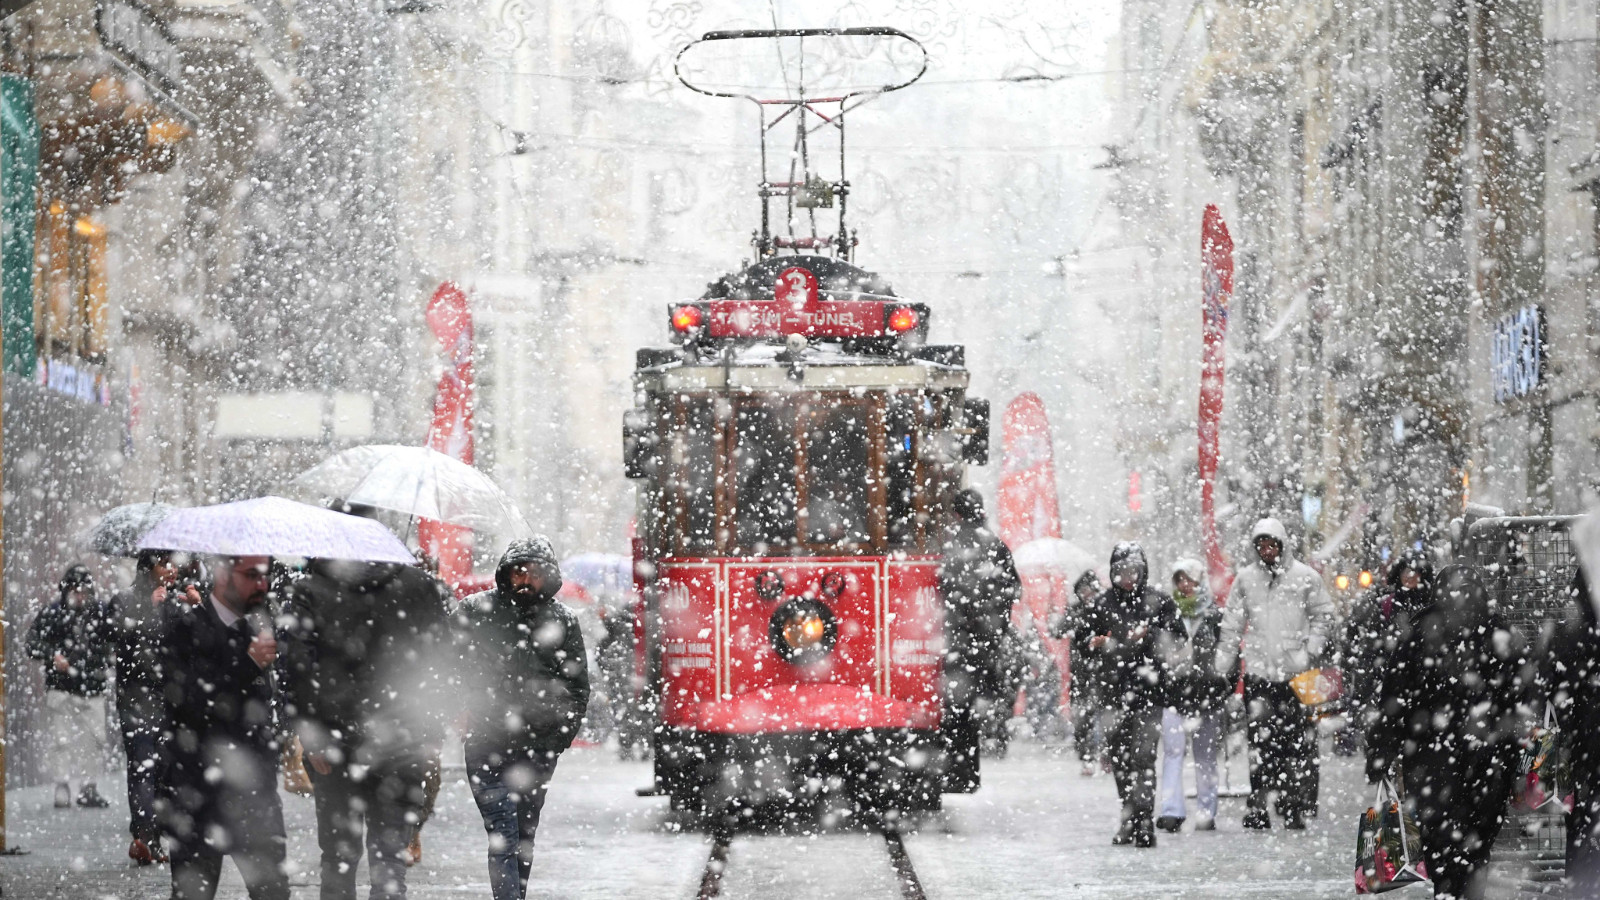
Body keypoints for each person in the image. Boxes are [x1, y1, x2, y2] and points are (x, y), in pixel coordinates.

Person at [278, 551, 453, 900]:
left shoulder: (310, 589)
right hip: (403, 739)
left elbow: (296, 666)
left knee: (339, 856)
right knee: (390, 857)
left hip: (335, 741)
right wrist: (431, 733)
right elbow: (443, 661)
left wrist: (311, 735)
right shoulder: (419, 585)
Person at [1365, 565, 1524, 900]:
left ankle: (1449, 890)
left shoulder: (1421, 632)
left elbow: (1394, 698)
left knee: (1440, 840)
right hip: (1486, 755)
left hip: (1432, 758)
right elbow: (1519, 695)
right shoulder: (1496, 631)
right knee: (1478, 838)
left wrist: (1382, 752)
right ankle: (1466, 887)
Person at [455, 539, 590, 900]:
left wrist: (557, 740)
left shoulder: (562, 620)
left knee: (524, 836)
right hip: (487, 743)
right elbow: (443, 667)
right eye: (518, 571)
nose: (525, 579)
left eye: (533, 572)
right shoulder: (475, 611)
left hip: (538, 749)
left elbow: (577, 688)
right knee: (504, 834)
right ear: (506, 572)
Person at [158, 555, 289, 900]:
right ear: (221, 574)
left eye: (265, 576)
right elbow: (188, 706)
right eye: (251, 575)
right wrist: (247, 665)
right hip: (197, 795)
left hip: (256, 796)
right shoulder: (185, 630)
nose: (261, 585)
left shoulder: (262, 629)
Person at [1214, 517, 1335, 830]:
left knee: (1297, 744)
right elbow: (1231, 625)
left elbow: (1324, 615)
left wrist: (1309, 649)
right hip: (1259, 673)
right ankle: (1259, 805)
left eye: (1272, 544)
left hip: (1298, 674)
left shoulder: (1305, 578)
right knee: (1260, 744)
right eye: (1262, 545)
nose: (1267, 550)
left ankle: (1293, 803)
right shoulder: (1246, 580)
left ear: (1282, 545)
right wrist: (1223, 663)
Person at [1080, 542, 1182, 847]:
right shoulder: (1101, 604)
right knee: (1120, 761)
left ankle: (1144, 822)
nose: (1128, 577)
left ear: (1143, 570)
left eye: (1133, 571)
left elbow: (1178, 639)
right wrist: (1093, 643)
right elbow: (1084, 640)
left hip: (1149, 693)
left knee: (1143, 758)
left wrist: (1150, 635)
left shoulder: (1159, 602)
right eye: (1121, 571)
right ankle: (1130, 818)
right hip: (1112, 693)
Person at [111, 550, 199, 863]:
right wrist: (150, 609)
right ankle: (144, 835)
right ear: (149, 568)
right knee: (141, 765)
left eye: (175, 563)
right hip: (136, 698)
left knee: (164, 769)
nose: (172, 570)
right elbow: (118, 640)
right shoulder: (124, 599)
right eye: (165, 563)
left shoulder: (179, 599)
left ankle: (156, 837)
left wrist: (197, 610)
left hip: (169, 699)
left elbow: (193, 645)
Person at [937, 488, 1023, 776]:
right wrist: (994, 618)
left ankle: (956, 765)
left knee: (957, 703)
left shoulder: (950, 546)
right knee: (982, 696)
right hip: (987, 640)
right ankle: (981, 748)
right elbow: (1014, 588)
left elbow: (944, 589)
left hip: (956, 639)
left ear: (956, 514)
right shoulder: (995, 545)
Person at [25, 564, 116, 810]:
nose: (80, 595)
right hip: (62, 687)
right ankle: (62, 785)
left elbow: (114, 641)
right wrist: (53, 654)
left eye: (84, 590)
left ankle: (89, 787)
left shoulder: (100, 613)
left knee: (95, 740)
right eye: (75, 590)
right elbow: (31, 643)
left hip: (92, 687)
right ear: (66, 591)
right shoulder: (52, 613)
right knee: (60, 741)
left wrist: (104, 659)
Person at [1157, 558, 1227, 833]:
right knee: (1173, 752)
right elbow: (1158, 651)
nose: (1185, 585)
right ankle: (1171, 810)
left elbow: (1229, 652)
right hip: (1173, 695)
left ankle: (1206, 811)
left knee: (1205, 756)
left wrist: (1224, 685)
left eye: (1190, 579)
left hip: (1206, 695)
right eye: (1180, 580)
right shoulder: (1167, 614)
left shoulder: (1214, 616)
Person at [1340, 550, 1434, 747]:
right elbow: (1371, 649)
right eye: (1406, 572)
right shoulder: (1386, 606)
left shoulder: (1431, 604)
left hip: (1421, 686)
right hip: (1390, 684)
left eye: (1415, 573)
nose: (1410, 578)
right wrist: (1365, 687)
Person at [1051, 569, 1106, 777]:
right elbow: (1058, 631)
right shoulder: (1075, 611)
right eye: (1083, 590)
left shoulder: (1104, 609)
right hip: (1081, 674)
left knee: (1106, 716)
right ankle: (1087, 758)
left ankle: (1107, 755)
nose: (1087, 594)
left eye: (1089, 590)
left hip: (1104, 671)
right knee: (1083, 720)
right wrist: (1075, 622)